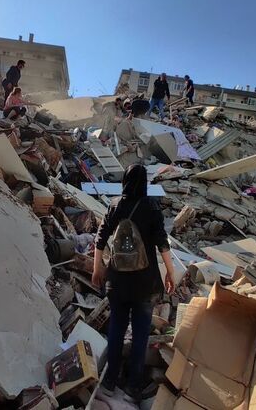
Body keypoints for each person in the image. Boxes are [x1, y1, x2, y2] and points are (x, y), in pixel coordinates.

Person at [92, 164, 176, 402]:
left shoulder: (115, 205)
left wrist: (97, 268)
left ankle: (110, 380)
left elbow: (100, 238)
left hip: (117, 281)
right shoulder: (151, 207)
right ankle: (134, 386)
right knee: (140, 335)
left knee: (116, 329)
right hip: (144, 284)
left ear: (125, 181)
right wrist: (170, 272)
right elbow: (162, 243)